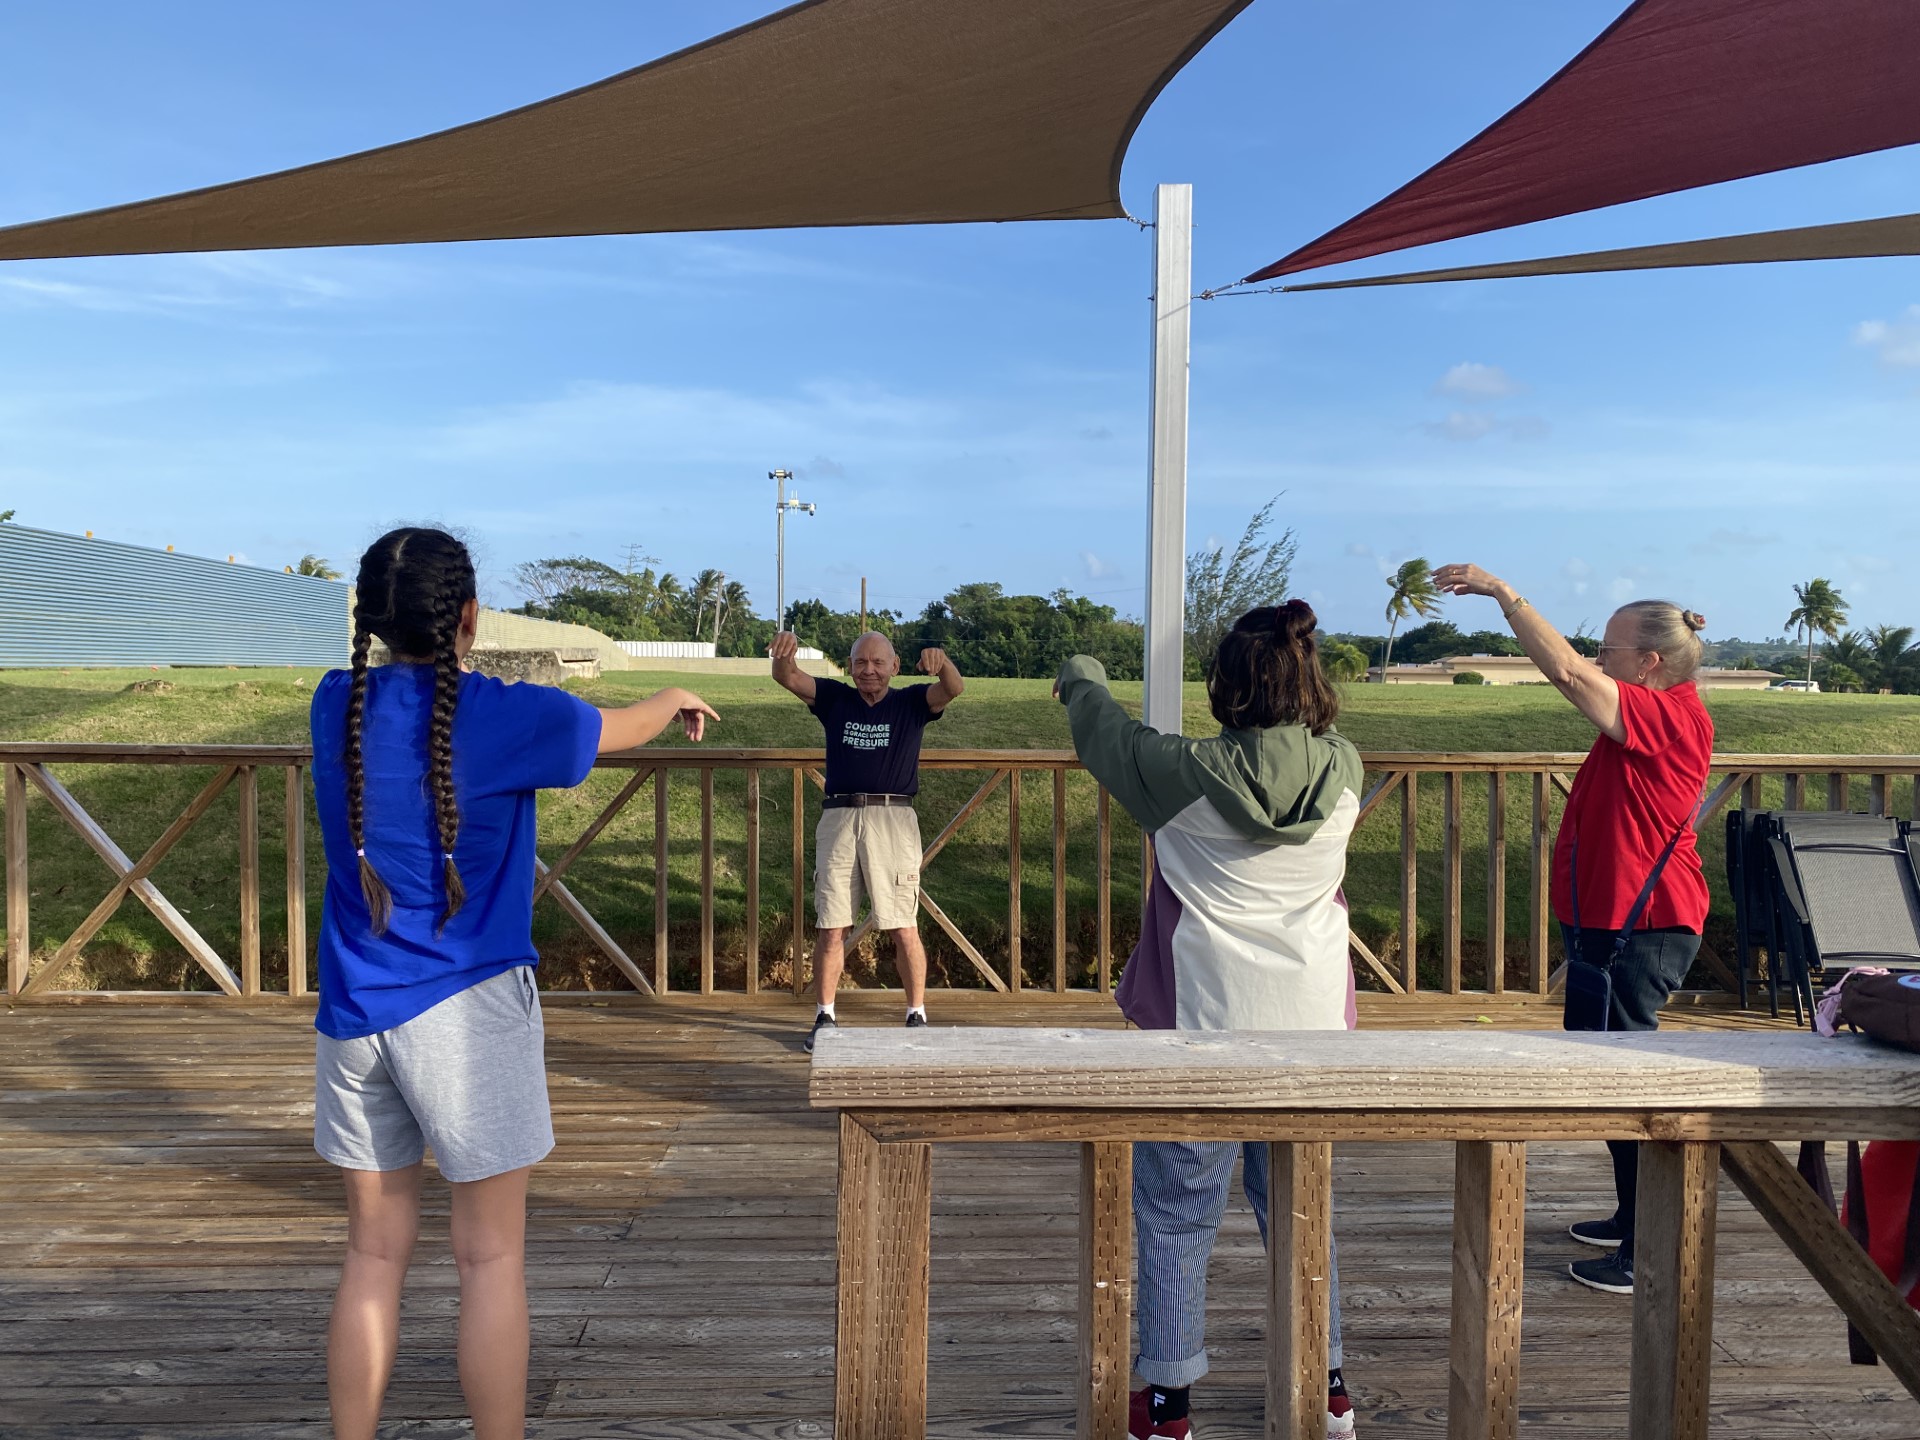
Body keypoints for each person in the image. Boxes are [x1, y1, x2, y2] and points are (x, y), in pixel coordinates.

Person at [310, 526, 718, 1440]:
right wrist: (674, 695)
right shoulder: (508, 715)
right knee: (489, 1260)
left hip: (353, 1014)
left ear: (371, 621)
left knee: (371, 1255)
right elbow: (615, 730)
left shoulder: (332, 703)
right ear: (469, 617)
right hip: (468, 1013)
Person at [1055, 600, 1364, 1440]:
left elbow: (1105, 736)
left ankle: (1167, 1403)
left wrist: (1079, 673)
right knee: (1303, 1206)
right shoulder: (1345, 769)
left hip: (1202, 1030)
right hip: (1313, 1034)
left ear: (1226, 687)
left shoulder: (1182, 774)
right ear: (1311, 681)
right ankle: (1328, 1386)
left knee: (1176, 1212)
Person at [1435, 563, 1713, 1296]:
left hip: (1644, 927)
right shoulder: (1655, 712)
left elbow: (1562, 671)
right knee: (1611, 1075)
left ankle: (1647, 1247)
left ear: (1649, 664)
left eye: (1611, 651)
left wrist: (1503, 595)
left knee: (1627, 1082)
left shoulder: (1671, 715)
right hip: (1617, 925)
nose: (1597, 659)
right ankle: (1632, 1218)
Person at [772, 628, 964, 1048]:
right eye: (861, 662)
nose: (869, 670)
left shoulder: (911, 701)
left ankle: (916, 1014)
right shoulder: (835, 698)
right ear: (850, 666)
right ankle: (825, 1016)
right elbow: (788, 677)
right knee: (831, 924)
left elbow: (952, 688)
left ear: (895, 667)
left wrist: (941, 659)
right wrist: (783, 653)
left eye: (878, 662)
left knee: (903, 925)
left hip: (893, 818)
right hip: (839, 817)